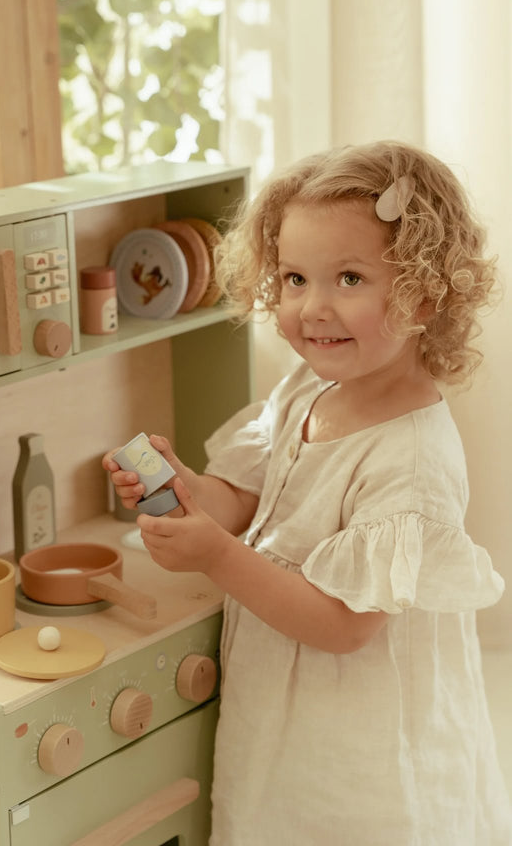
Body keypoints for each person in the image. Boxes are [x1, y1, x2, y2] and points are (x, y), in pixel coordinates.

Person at [102, 140, 512, 845]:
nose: (311, 308)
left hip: (363, 745)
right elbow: (245, 500)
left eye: (349, 278)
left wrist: (216, 558)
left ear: (421, 291)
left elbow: (343, 627)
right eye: (294, 278)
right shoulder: (311, 386)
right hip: (285, 715)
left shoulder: (411, 457)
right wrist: (184, 492)